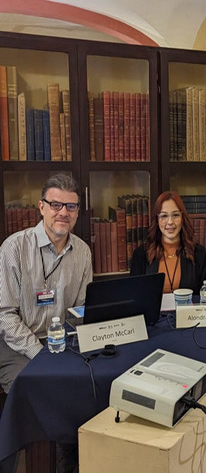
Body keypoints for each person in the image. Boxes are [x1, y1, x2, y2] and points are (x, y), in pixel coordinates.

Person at [0, 174, 92, 473]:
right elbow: (5, 315)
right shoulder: (14, 248)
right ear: (41, 207)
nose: (63, 212)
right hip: (18, 343)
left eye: (71, 206)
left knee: (87, 385)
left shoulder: (83, 252)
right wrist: (39, 353)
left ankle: (71, 465)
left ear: (78, 212)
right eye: (55, 204)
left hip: (63, 341)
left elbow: (81, 309)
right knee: (33, 390)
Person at [130, 191, 206, 294]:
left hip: (187, 310)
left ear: (182, 218)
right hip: (154, 311)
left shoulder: (198, 253)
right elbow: (134, 296)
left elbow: (205, 298)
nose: (170, 222)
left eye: (175, 215)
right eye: (164, 216)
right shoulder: (141, 255)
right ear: (157, 220)